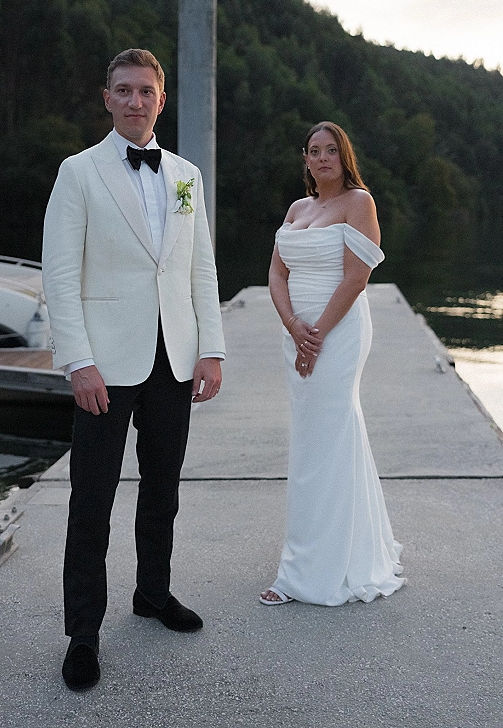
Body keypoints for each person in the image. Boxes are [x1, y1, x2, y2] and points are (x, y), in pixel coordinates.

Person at [42, 48, 225, 690]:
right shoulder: (79, 172)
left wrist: (212, 347)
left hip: (174, 359)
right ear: (107, 97)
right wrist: (79, 362)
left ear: (162, 99)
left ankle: (152, 593)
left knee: (163, 492)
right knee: (91, 501)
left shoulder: (184, 176)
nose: (135, 100)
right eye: (123, 90)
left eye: (146, 91)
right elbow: (60, 276)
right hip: (106, 366)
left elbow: (200, 268)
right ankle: (83, 635)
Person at [260, 121, 405, 607]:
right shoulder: (298, 208)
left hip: (337, 335)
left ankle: (309, 572)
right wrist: (293, 329)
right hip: (299, 336)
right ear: (305, 159)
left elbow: (356, 278)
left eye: (331, 151)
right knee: (318, 439)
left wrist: (316, 334)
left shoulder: (359, 203)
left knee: (325, 440)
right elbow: (276, 275)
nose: (323, 158)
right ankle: (339, 551)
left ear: (344, 157)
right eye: (314, 151)